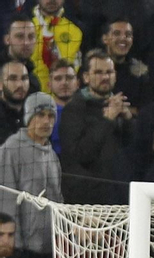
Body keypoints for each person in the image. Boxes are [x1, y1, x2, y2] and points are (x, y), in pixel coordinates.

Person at [59, 50, 132, 204]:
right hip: (86, 202)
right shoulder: (74, 110)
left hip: (119, 198)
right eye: (98, 72)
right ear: (86, 77)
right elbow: (80, 155)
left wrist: (129, 121)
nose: (105, 77)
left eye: (109, 72)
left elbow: (133, 151)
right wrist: (107, 119)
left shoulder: (120, 108)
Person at [0, 93, 60, 254]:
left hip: (50, 248)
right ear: (29, 117)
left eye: (51, 116)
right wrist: (15, 244)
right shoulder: (11, 149)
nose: (46, 121)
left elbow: (57, 201)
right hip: (23, 249)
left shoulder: (51, 155)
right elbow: (7, 200)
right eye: (40, 115)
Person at [100, 18, 149, 110]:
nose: (123, 38)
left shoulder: (141, 72)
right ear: (105, 39)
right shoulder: (91, 68)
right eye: (117, 33)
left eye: (128, 35)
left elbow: (145, 110)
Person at [0, 60, 29, 144]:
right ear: (0, 84)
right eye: (12, 79)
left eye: (24, 78)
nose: (20, 84)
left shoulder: (36, 113)